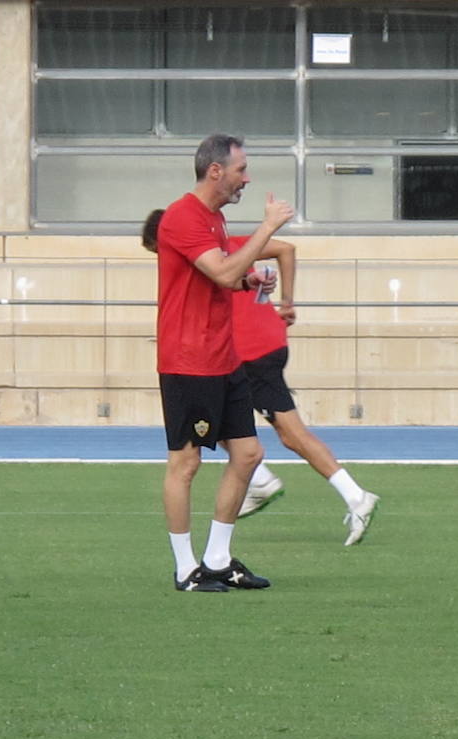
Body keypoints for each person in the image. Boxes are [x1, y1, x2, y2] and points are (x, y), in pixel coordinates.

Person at [143, 211, 381, 545]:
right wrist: (287, 302)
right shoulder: (232, 246)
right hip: (261, 344)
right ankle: (261, 480)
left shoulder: (206, 257)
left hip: (251, 351)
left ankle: (354, 496)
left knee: (290, 433)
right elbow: (286, 249)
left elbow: (278, 251)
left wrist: (284, 300)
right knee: (220, 418)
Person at [154, 132, 293, 592]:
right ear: (215, 170)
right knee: (186, 463)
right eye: (241, 170)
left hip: (223, 355)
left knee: (250, 454)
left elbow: (222, 277)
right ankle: (184, 568)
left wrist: (248, 280)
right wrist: (267, 229)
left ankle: (217, 558)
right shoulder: (182, 216)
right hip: (188, 359)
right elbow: (221, 270)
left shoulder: (213, 219)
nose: (246, 178)